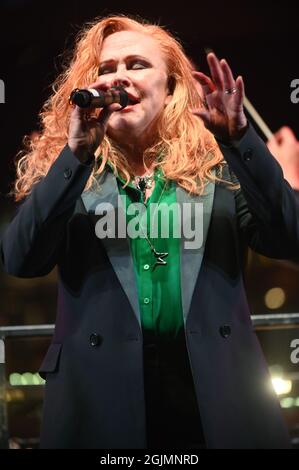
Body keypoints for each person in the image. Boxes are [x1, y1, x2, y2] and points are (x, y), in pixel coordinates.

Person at [1, 15, 297, 449]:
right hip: (101, 400)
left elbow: (289, 236)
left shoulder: (218, 170)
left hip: (213, 395)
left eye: (137, 64)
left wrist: (240, 142)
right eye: (106, 68)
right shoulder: (68, 174)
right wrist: (76, 155)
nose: (119, 75)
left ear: (172, 86)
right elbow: (21, 260)